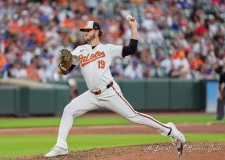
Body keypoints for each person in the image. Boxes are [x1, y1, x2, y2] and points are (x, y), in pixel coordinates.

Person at [45, 17, 185, 157]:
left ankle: (169, 129)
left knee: (134, 116)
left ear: (96, 31)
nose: (85, 33)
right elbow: (67, 68)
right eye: (84, 31)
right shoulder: (80, 50)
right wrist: (63, 67)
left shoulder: (108, 49)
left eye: (87, 30)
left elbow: (132, 48)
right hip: (92, 94)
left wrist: (133, 27)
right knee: (69, 110)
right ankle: (61, 146)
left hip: (109, 92)